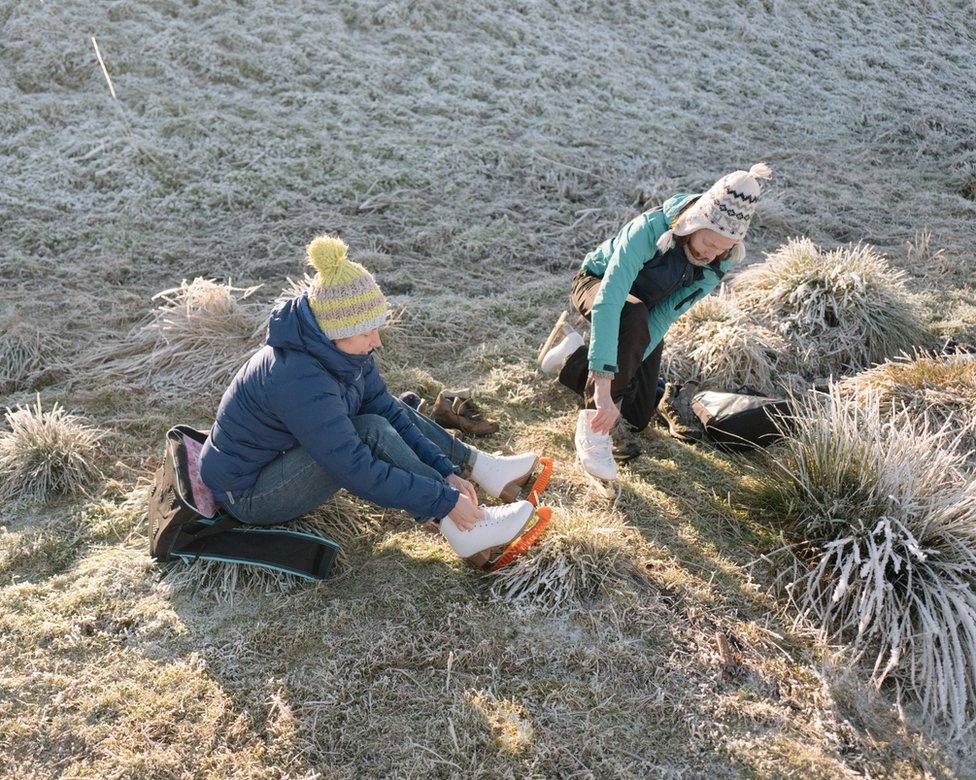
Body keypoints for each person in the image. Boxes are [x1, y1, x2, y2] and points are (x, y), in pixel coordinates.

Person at [199, 235, 540, 559]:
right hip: (250, 493)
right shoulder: (299, 380)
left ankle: (475, 477)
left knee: (385, 413)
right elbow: (355, 469)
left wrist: (444, 471)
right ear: (337, 332)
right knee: (369, 432)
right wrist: (443, 499)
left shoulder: (343, 351)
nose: (377, 341)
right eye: (367, 331)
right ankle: (465, 526)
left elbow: (390, 412)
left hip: (279, 459)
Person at [538, 163, 772, 481]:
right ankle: (592, 430)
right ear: (694, 223)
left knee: (637, 415)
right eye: (708, 243)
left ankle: (571, 359)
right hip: (597, 284)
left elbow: (662, 318)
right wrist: (605, 393)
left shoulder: (716, 264)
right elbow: (609, 301)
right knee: (630, 316)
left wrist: (624, 373)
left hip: (643, 316)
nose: (711, 254)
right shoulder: (649, 230)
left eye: (723, 248)